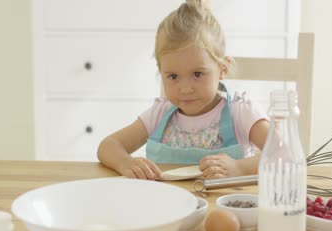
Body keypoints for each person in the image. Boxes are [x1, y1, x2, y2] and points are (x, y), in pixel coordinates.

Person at [97, 0, 269, 180]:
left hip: (223, 207)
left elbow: (285, 154)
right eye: (173, 76)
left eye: (197, 74)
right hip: (169, 206)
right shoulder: (159, 114)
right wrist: (126, 162)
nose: (185, 89)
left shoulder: (240, 112)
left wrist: (240, 167)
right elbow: (108, 146)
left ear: (222, 69)